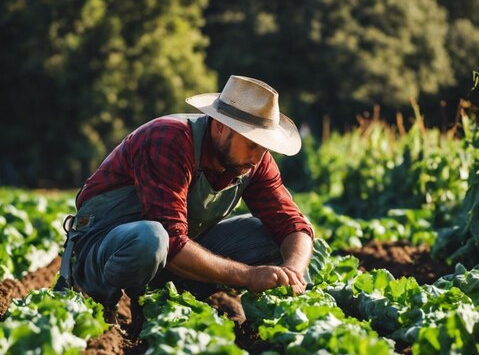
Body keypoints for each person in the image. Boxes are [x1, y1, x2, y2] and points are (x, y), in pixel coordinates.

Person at [56, 75, 314, 320]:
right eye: (252, 144)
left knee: (271, 235)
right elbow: (171, 238)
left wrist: (292, 272)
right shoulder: (169, 139)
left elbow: (293, 224)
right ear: (222, 128)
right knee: (150, 238)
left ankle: (164, 302)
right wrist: (248, 276)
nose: (258, 157)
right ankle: (99, 298)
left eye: (264, 146)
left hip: (172, 251)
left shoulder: (253, 162)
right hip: (105, 243)